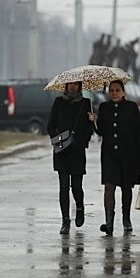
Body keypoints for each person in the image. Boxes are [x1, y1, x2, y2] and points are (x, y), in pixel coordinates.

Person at [89, 80, 140, 236]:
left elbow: (139, 133)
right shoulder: (104, 107)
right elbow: (101, 132)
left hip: (128, 154)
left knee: (126, 187)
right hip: (109, 154)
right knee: (109, 187)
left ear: (123, 92)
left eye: (117, 90)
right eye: (112, 91)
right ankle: (109, 222)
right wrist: (94, 122)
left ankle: (126, 219)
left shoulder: (131, 108)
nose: (114, 93)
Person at [47, 81, 94, 234]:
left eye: (75, 84)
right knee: (63, 186)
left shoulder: (85, 103)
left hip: (77, 150)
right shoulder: (59, 102)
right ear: (65, 86)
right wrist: (57, 139)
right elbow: (50, 125)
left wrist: (82, 140)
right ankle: (65, 220)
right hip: (61, 151)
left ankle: (80, 207)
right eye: (70, 84)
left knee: (76, 186)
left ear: (80, 86)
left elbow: (89, 128)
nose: (72, 87)